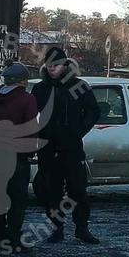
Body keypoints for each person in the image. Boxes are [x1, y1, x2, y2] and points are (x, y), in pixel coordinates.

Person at [32, 47, 101, 244]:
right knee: (52, 191)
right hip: (48, 148)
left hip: (72, 147)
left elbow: (93, 111)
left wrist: (78, 130)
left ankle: (81, 227)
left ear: (66, 65)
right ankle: (56, 228)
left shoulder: (78, 86)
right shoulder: (41, 89)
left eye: (56, 65)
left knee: (78, 189)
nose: (52, 69)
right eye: (49, 66)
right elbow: (31, 115)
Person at [0, 61, 39, 255]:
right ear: (23, 81)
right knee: (17, 199)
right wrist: (31, 151)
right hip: (18, 155)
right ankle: (13, 239)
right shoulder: (27, 100)